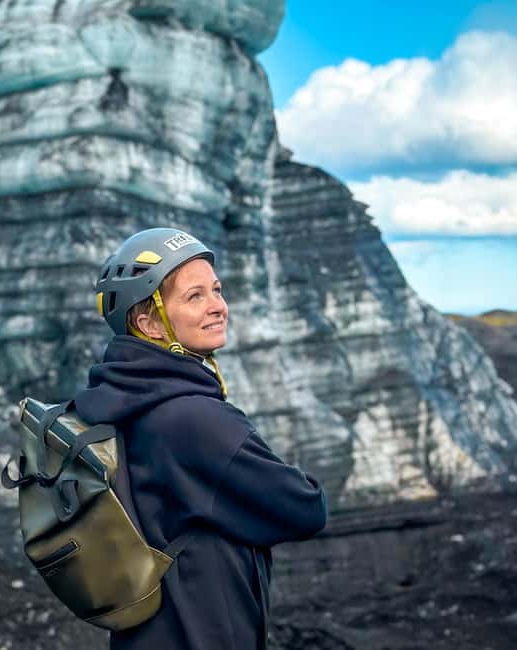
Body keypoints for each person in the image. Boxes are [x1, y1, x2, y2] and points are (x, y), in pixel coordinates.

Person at [74, 227, 328, 650]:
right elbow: (306, 507)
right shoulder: (195, 419)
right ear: (149, 322)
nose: (218, 307)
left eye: (217, 290)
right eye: (195, 296)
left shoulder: (114, 401)